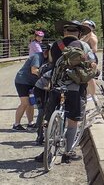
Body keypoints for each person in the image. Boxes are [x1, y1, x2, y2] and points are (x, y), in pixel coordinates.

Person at [35, 20, 96, 164]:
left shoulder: (55, 45)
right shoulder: (83, 45)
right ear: (79, 33)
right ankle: (68, 153)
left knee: (50, 118)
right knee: (73, 121)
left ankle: (47, 148)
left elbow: (50, 63)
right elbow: (92, 63)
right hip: (75, 88)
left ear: (64, 32)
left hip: (56, 87)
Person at [13, 43, 48, 130]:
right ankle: (16, 124)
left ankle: (30, 123)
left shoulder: (46, 59)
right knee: (25, 103)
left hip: (31, 82)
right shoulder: (38, 56)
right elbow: (34, 70)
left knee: (31, 103)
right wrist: (45, 76)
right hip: (23, 81)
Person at [81, 20, 99, 109]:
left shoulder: (92, 37)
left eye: (86, 25)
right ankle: (88, 93)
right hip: (85, 59)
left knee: (91, 77)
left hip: (90, 59)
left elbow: (95, 49)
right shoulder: (85, 35)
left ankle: (92, 95)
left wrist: (85, 52)